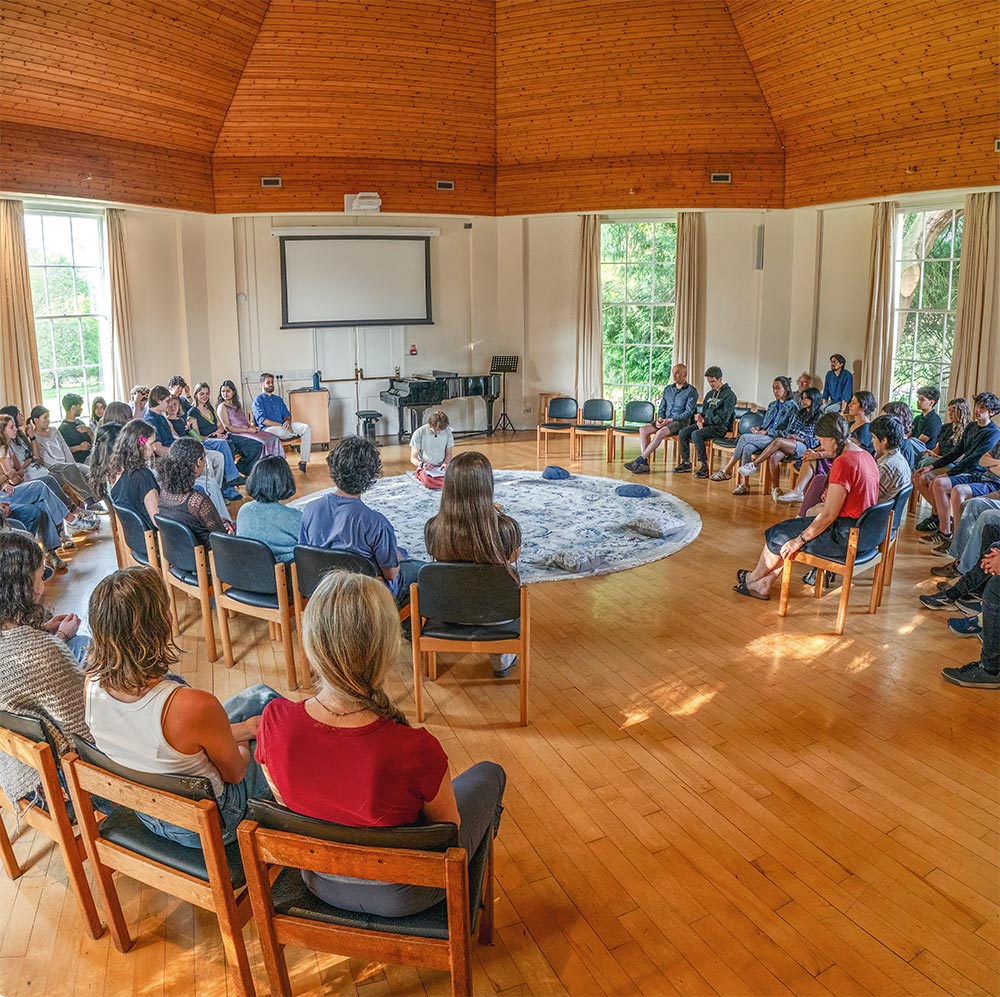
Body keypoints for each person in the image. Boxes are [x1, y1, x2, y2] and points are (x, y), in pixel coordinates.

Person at [255, 570, 506, 915]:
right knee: (491, 774)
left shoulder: (275, 721)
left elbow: (286, 803)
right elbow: (450, 840)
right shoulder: (415, 749)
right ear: (385, 647)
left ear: (312, 641)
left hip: (317, 878)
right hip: (404, 897)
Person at [84, 566, 281, 846]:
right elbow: (235, 772)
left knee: (260, 697)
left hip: (149, 811)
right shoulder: (189, 705)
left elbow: (167, 744)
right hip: (211, 823)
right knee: (279, 728)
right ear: (161, 623)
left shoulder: (90, 683)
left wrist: (242, 729)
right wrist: (248, 742)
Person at [733, 413, 879, 600]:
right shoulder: (865, 455)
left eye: (821, 441)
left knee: (778, 534)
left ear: (832, 439)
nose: (821, 446)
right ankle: (764, 583)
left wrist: (799, 540)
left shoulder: (843, 462)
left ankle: (754, 578)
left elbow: (828, 516)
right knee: (789, 529)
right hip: (865, 533)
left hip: (845, 537)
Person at [0, 532, 91, 808]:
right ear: (23, 587)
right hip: (64, 782)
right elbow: (85, 730)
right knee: (88, 649)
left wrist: (49, 633)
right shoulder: (41, 651)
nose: (43, 586)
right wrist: (58, 640)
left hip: (17, 767)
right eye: (40, 577)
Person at [425, 451, 522, 677]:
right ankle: (501, 656)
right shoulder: (507, 527)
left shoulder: (433, 528)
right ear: (487, 486)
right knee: (510, 576)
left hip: (446, 611)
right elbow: (513, 558)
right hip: (497, 614)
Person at [299, 436, 422, 608]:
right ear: (370, 475)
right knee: (420, 570)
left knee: (398, 553)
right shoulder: (376, 523)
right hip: (364, 599)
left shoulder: (310, 510)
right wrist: (396, 559)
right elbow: (391, 575)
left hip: (323, 591)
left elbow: (305, 555)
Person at [913, 392, 1000, 545]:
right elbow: (956, 452)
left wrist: (948, 474)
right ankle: (944, 529)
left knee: (939, 483)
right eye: (977, 406)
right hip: (968, 470)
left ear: (991, 412)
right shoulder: (972, 427)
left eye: (982, 408)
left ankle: (946, 533)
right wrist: (932, 466)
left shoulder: (993, 433)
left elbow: (975, 461)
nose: (977, 410)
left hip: (976, 473)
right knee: (934, 481)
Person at [146, 385, 238, 500]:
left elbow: (174, 436)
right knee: (206, 461)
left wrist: (191, 444)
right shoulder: (150, 420)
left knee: (218, 457)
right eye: (167, 401)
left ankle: (216, 493)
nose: (169, 404)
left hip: (178, 448)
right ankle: (207, 494)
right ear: (159, 401)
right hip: (172, 455)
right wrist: (186, 451)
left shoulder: (161, 416)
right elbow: (159, 450)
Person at [711, 377, 795, 494]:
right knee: (747, 448)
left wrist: (767, 432)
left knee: (744, 437)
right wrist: (759, 429)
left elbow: (789, 432)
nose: (775, 391)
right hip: (764, 437)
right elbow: (766, 425)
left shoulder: (793, 407)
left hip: (776, 440)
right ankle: (745, 485)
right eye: (773, 388)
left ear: (786, 389)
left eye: (777, 388)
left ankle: (727, 470)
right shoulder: (772, 405)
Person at [737, 387, 821, 496]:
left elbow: (816, 440)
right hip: (791, 442)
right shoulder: (800, 413)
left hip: (805, 445)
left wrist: (799, 438)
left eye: (806, 399)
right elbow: (791, 429)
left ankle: (754, 464)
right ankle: (776, 488)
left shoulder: (820, 416)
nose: (803, 401)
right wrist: (792, 436)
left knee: (778, 441)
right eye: (802, 398)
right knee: (774, 456)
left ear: (814, 399)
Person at [156, 438, 233, 547]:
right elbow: (221, 536)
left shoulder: (164, 492)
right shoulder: (198, 501)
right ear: (198, 461)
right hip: (203, 555)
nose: (206, 461)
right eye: (204, 457)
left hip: (176, 551)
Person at [625, 364, 698, 474]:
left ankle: (640, 460)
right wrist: (660, 418)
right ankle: (644, 463)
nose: (674, 375)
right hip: (665, 420)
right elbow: (662, 407)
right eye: (673, 372)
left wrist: (670, 420)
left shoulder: (691, 391)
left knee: (661, 432)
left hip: (679, 422)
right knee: (643, 430)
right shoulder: (668, 389)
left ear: (685, 375)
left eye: (678, 372)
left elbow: (688, 413)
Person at [29, 405, 103, 510]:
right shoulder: (34, 437)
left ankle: (102, 499)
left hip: (67, 463)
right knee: (70, 469)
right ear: (36, 420)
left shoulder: (54, 430)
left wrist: (72, 463)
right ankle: (90, 502)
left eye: (49, 417)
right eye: (45, 418)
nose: (48, 420)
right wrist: (69, 465)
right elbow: (44, 458)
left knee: (90, 470)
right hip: (53, 466)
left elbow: (65, 447)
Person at [673, 366, 737, 478]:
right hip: (706, 424)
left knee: (696, 434)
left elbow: (724, 418)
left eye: (713, 381)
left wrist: (705, 420)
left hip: (719, 427)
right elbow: (704, 411)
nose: (711, 384)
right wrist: (699, 419)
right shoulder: (709, 394)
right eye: (709, 382)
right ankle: (686, 462)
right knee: (683, 432)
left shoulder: (729, 396)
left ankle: (704, 466)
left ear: (720, 379)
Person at [236, 456, 302, 562]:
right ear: (285, 481)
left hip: (248, 571)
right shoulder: (294, 517)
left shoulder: (244, 510)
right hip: (287, 573)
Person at [188, 382, 263, 475]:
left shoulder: (209, 408)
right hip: (209, 441)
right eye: (202, 394)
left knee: (256, 445)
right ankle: (232, 477)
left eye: (207, 393)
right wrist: (212, 437)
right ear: (196, 394)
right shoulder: (192, 413)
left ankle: (243, 468)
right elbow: (197, 437)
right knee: (228, 445)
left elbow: (221, 426)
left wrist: (217, 433)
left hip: (222, 436)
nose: (205, 396)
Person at [252, 373, 312, 473]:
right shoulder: (258, 400)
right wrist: (282, 425)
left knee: (306, 428)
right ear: (262, 384)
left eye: (272, 382)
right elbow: (263, 420)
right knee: (283, 432)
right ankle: (291, 432)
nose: (271, 384)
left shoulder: (278, 399)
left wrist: (288, 421)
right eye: (268, 383)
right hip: (268, 429)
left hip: (284, 425)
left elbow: (287, 414)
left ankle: (303, 461)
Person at [109, 418, 160, 529]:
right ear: (139, 445)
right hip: (150, 538)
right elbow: (158, 521)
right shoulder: (143, 476)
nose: (154, 448)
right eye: (151, 444)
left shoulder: (116, 471)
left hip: (133, 538)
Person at [216, 379, 283, 459]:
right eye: (223, 391)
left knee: (273, 438)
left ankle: (275, 465)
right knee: (262, 442)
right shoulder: (222, 406)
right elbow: (227, 427)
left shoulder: (237, 405)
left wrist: (252, 427)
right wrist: (248, 430)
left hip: (247, 430)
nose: (225, 394)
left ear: (233, 392)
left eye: (228, 391)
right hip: (235, 434)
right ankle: (261, 467)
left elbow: (245, 422)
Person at [409, 409, 454, 488]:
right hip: (425, 468)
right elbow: (413, 458)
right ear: (430, 425)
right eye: (436, 430)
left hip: (441, 468)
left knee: (457, 478)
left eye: (441, 430)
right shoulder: (419, 433)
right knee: (429, 482)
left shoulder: (447, 432)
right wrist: (422, 464)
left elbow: (449, 453)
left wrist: (446, 463)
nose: (438, 432)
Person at [871, 415, 911, 501]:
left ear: (884, 440)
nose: (872, 440)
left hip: (875, 512)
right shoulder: (900, 458)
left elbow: (869, 496)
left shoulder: (887, 466)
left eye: (874, 437)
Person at [57, 393, 94, 463]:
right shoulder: (63, 429)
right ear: (73, 408)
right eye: (80, 406)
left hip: (92, 454)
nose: (81, 409)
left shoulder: (80, 422)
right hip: (81, 461)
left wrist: (89, 431)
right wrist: (80, 447)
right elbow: (63, 450)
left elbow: (93, 442)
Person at [911, 386, 943, 454]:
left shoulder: (934, 420)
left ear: (931, 403)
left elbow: (920, 442)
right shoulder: (917, 418)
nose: (918, 401)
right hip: (912, 449)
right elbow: (909, 433)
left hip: (923, 452)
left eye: (922, 399)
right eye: (918, 399)